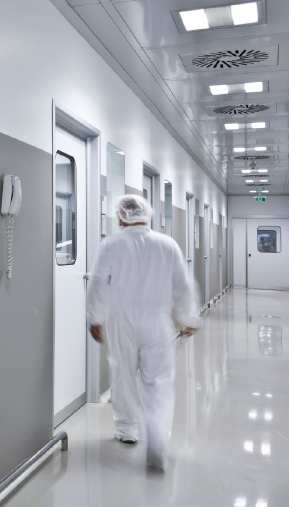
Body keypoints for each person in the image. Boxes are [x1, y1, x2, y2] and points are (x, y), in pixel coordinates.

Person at [86, 194, 200, 471]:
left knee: (124, 374)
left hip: (121, 320)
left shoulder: (111, 245)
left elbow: (99, 283)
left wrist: (94, 318)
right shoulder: (167, 244)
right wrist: (187, 318)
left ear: (121, 216)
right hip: (158, 322)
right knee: (159, 382)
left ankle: (127, 430)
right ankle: (157, 438)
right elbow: (182, 285)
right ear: (147, 215)